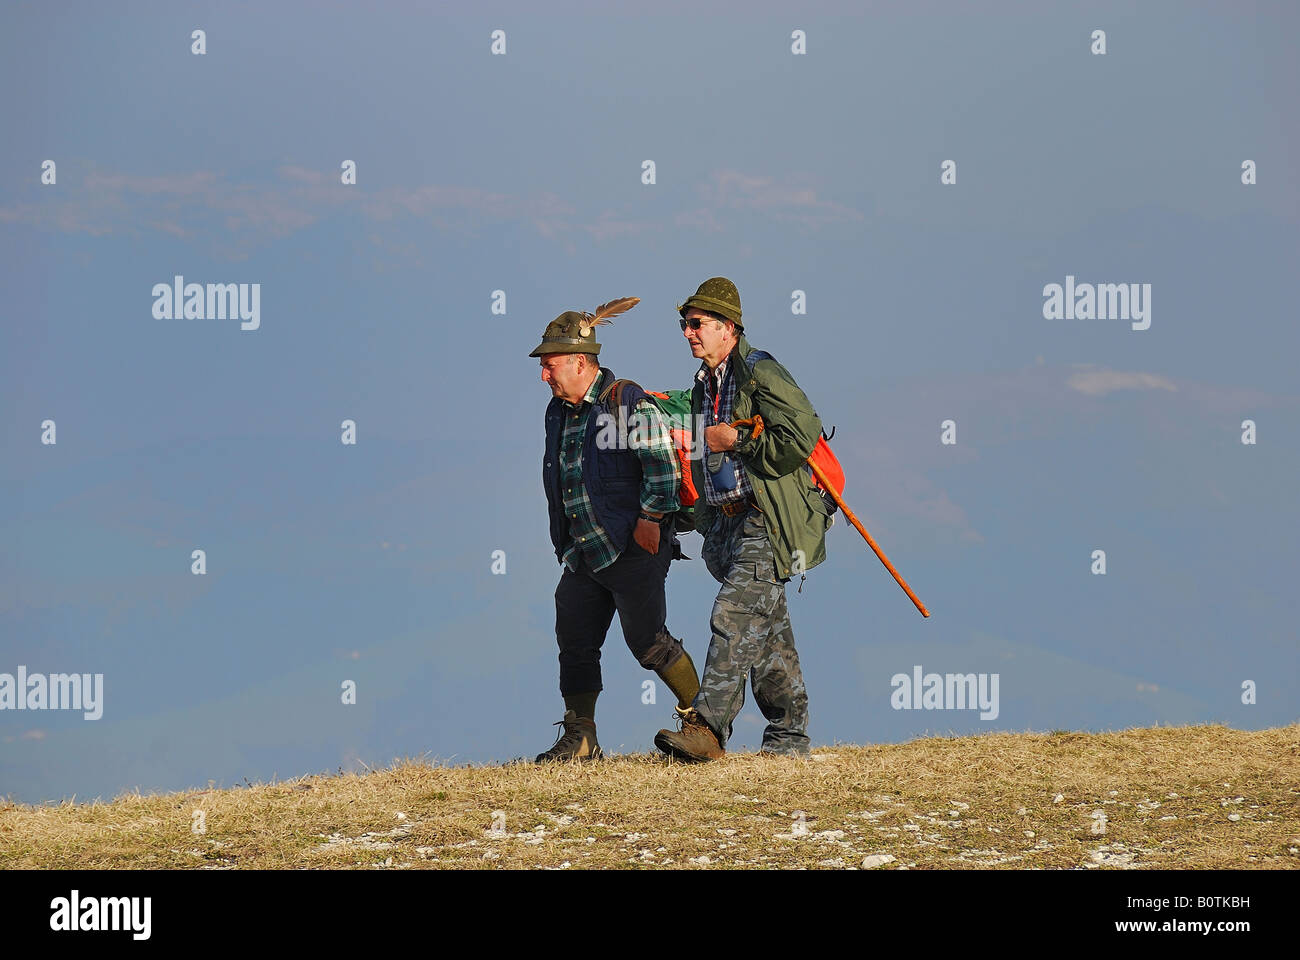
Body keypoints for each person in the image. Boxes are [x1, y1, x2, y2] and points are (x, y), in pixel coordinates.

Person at [654, 278, 832, 761]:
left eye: (698, 324)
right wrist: (700, 520)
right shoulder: (702, 386)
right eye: (685, 325)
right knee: (767, 635)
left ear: (728, 328)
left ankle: (708, 731)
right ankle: (788, 739)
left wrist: (739, 442)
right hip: (727, 526)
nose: (688, 333)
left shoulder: (759, 372)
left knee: (731, 618)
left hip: (764, 522)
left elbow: (802, 433)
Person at [530, 303, 701, 762]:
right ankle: (581, 737)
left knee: (648, 642)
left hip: (632, 546)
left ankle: (701, 724)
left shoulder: (626, 402)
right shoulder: (556, 412)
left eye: (549, 366)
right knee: (575, 639)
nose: (544, 376)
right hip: (582, 550)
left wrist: (650, 521)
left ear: (580, 362)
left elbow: (661, 465)